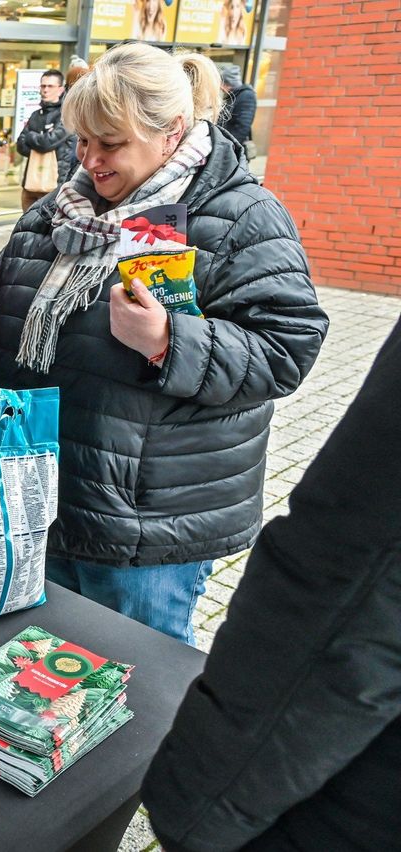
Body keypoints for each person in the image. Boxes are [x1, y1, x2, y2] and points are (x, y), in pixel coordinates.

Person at [0, 43, 328, 644]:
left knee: (135, 695)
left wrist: (169, 341)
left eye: (111, 143)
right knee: (43, 679)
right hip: (41, 501)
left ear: (171, 134)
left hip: (147, 527)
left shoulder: (241, 217)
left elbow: (286, 348)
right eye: (83, 140)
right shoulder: (52, 218)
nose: (91, 159)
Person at [142, 317, 401, 852]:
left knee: (146, 684)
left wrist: (174, 342)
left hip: (162, 514)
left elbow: (348, 579)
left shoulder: (248, 230)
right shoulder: (41, 230)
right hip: (68, 507)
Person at [16, 69, 77, 210]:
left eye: (50, 86)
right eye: (43, 86)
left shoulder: (67, 115)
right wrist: (41, 138)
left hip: (55, 183)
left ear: (60, 89)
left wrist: (31, 136)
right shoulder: (35, 115)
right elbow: (21, 145)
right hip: (31, 183)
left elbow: (47, 143)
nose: (45, 90)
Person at [218, 62, 257, 158]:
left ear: (227, 84)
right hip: (228, 145)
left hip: (233, 150)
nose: (220, 88)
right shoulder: (234, 95)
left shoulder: (246, 96)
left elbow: (243, 126)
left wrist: (230, 147)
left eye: (221, 83)